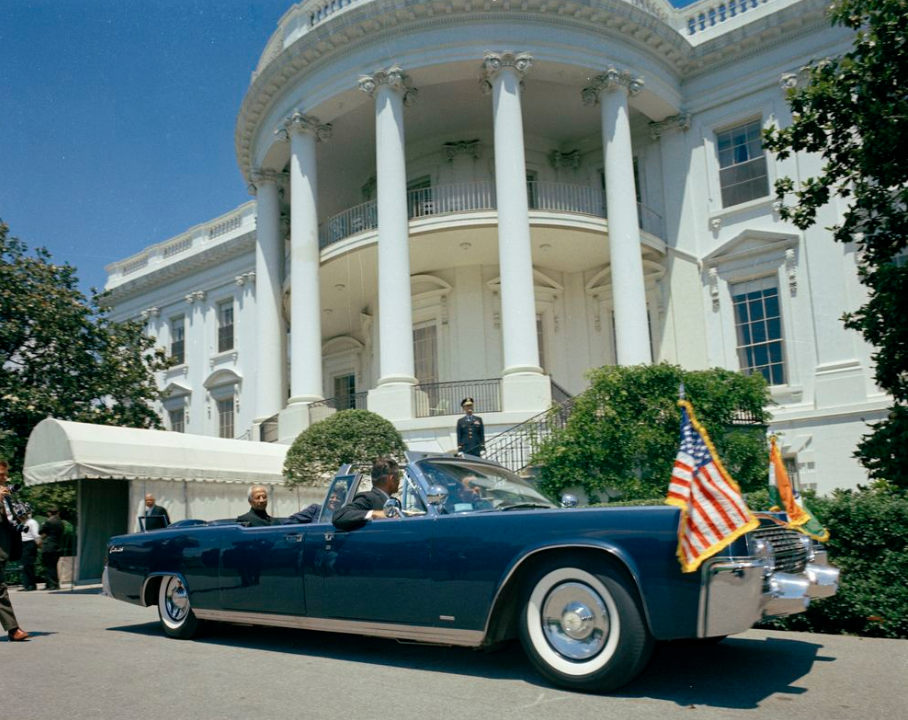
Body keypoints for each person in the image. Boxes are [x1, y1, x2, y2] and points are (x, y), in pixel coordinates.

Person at [0, 459, 29, 641]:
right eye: (1, 475)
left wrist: (21, 515)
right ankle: (13, 629)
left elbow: (9, 522)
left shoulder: (6, 494)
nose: (5, 478)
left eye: (5, 474)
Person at [332, 457, 401, 531]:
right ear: (391, 479)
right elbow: (339, 516)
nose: (399, 481)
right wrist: (375, 514)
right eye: (398, 477)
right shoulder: (368, 498)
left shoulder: (394, 502)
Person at [39, 508, 64, 591]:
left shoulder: (48, 522)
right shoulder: (60, 522)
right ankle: (53, 584)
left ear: (49, 513)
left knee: (49, 566)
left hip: (48, 546)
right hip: (57, 546)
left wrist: (43, 524)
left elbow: (40, 531)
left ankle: (52, 584)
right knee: (53, 566)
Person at [19, 506, 40, 592]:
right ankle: (26, 584)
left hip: (30, 543)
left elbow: (36, 535)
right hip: (24, 544)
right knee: (25, 565)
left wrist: (38, 544)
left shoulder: (32, 522)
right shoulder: (23, 523)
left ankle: (31, 585)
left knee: (29, 565)